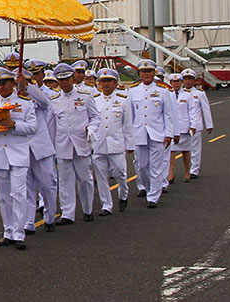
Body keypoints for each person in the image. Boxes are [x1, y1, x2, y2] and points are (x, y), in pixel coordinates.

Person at [0, 67, 37, 249]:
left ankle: (19, 233)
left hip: (18, 154)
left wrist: (14, 125)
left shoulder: (24, 103)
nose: (1, 87)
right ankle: (8, 231)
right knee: (4, 197)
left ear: (12, 83)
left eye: (4, 83)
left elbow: (33, 127)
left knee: (18, 194)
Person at [48, 63, 100, 225]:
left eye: (67, 79)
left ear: (72, 79)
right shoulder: (54, 99)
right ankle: (67, 213)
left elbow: (96, 118)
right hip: (62, 144)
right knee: (65, 180)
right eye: (60, 80)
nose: (64, 83)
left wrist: (91, 128)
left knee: (85, 179)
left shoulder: (85, 95)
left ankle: (87, 209)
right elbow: (51, 125)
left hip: (81, 142)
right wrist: (50, 147)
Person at [17, 60, 58, 234]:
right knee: (26, 188)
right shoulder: (15, 99)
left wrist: (27, 87)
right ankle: (28, 223)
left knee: (47, 184)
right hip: (22, 147)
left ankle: (49, 216)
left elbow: (45, 102)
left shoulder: (38, 95)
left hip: (41, 146)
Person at [128, 59, 174, 208]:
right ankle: (149, 189)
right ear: (139, 73)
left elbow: (168, 114)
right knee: (142, 166)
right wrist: (129, 135)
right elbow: (130, 115)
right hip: (139, 132)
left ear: (154, 73)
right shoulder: (133, 90)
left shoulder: (162, 90)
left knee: (156, 166)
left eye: (149, 71)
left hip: (157, 133)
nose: (146, 74)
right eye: (143, 71)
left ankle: (153, 196)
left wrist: (169, 133)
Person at [91, 68, 134, 215]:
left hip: (116, 143)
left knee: (120, 173)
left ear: (116, 83)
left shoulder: (123, 99)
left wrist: (130, 144)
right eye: (103, 81)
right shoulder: (95, 100)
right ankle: (106, 205)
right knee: (101, 176)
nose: (105, 84)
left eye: (109, 81)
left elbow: (127, 124)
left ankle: (123, 194)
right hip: (99, 143)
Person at [168, 73, 201, 183]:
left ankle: (187, 171)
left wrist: (193, 125)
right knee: (171, 151)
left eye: (178, 82)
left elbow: (192, 111)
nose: (176, 84)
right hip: (171, 127)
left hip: (184, 126)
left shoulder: (187, 95)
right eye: (173, 82)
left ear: (181, 83)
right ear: (170, 83)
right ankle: (171, 173)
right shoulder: (167, 94)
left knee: (185, 151)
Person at [183, 68, 213, 179]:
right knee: (184, 148)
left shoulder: (199, 93)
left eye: (190, 79)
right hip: (184, 125)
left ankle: (194, 169)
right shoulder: (179, 93)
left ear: (194, 80)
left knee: (195, 148)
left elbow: (206, 109)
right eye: (185, 79)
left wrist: (209, 124)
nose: (187, 81)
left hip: (197, 124)